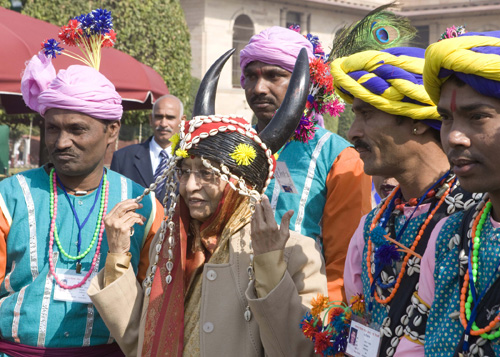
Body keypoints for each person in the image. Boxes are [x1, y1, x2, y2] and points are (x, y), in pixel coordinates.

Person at [88, 49, 327, 356]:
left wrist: (269, 264)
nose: (189, 186)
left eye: (207, 174)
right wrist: (118, 257)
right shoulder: (170, 242)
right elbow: (139, 340)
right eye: (184, 172)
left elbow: (296, 351)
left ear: (240, 184)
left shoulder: (294, 251)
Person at [0, 10, 162, 356]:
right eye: (52, 128)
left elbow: (159, 299)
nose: (60, 142)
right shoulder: (10, 197)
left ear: (112, 131)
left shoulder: (142, 205)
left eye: (76, 129)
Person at [330, 46, 479, 356]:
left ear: (419, 119)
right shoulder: (371, 226)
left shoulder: (476, 218)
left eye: (366, 114)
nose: (354, 132)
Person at [240, 26, 372, 302]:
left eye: (274, 76)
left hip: (301, 316)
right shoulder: (234, 146)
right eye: (251, 76)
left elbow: (344, 265)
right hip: (232, 310)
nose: (258, 88)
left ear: (304, 83)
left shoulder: (339, 157)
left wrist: (318, 327)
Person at [398, 31, 500, 356]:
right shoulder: (448, 237)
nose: (454, 136)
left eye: (478, 117)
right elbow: (411, 347)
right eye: (446, 118)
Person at [111, 94, 185, 203]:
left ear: (182, 121)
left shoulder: (190, 160)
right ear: (151, 119)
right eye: (159, 117)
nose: (164, 124)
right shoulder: (123, 158)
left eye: (170, 117)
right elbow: (113, 200)